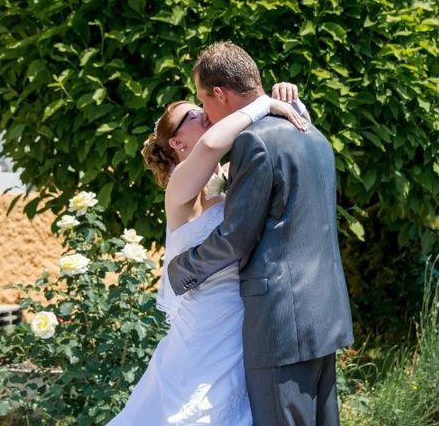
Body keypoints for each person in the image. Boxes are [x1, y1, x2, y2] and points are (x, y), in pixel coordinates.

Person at [167, 41, 354, 426]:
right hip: (325, 312)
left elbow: (235, 239)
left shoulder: (255, 142)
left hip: (281, 322)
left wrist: (180, 269)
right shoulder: (311, 131)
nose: (205, 111)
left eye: (204, 100)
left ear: (220, 93)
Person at [107, 85, 307, 425]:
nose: (203, 112)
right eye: (191, 114)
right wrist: (262, 103)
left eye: (201, 106)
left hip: (242, 319)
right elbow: (214, 142)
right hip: (204, 326)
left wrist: (291, 101)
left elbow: (294, 138)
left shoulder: (231, 173)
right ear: (177, 142)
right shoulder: (179, 187)